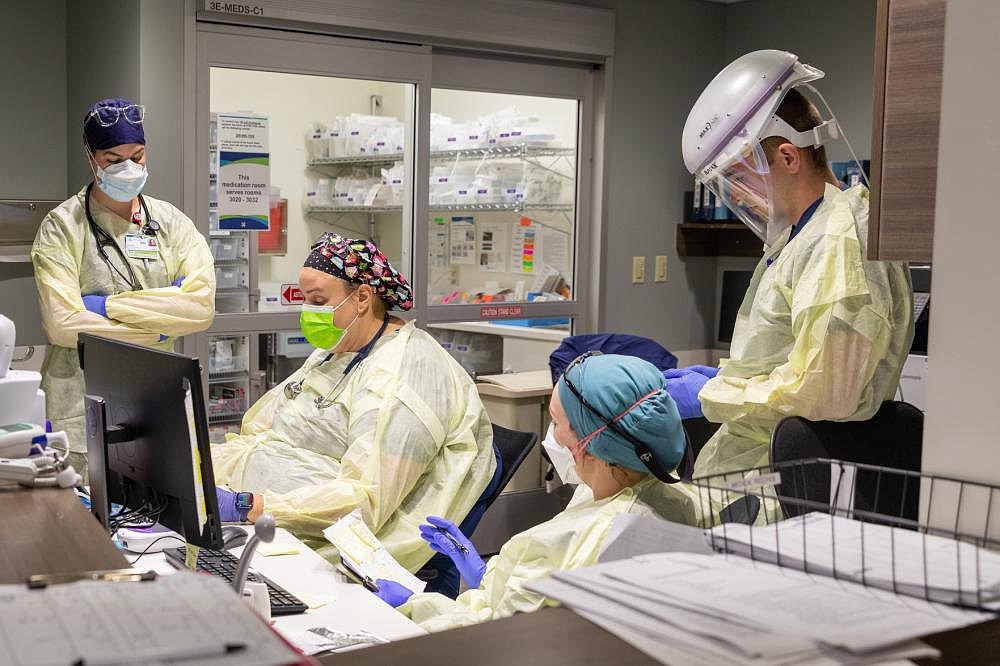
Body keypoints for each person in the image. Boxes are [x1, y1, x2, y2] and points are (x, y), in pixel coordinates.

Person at [673, 50, 913, 478]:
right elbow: (783, 357)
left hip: (777, 488)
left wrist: (711, 394)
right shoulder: (803, 234)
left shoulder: (837, 240)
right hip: (750, 471)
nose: (739, 196)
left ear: (788, 157)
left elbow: (828, 390)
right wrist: (726, 376)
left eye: (740, 178)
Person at [211, 232, 495, 573]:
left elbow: (367, 501)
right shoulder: (337, 351)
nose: (307, 312)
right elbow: (265, 431)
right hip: (262, 520)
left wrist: (247, 505)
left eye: (318, 300)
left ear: (362, 297)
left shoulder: (406, 373)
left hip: (322, 544)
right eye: (304, 300)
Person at [370, 353, 700, 632]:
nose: (552, 435)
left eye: (556, 422)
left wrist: (414, 606)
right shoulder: (664, 493)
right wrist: (488, 575)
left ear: (591, 441)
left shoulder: (580, 536)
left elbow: (495, 636)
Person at [31, 98, 216, 480]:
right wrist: (163, 323)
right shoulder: (62, 227)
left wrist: (103, 306)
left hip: (154, 398)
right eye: (113, 159)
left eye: (137, 155)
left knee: (157, 522)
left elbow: (200, 308)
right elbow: (64, 325)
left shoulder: (170, 223)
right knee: (82, 522)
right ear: (91, 158)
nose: (128, 167)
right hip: (82, 402)